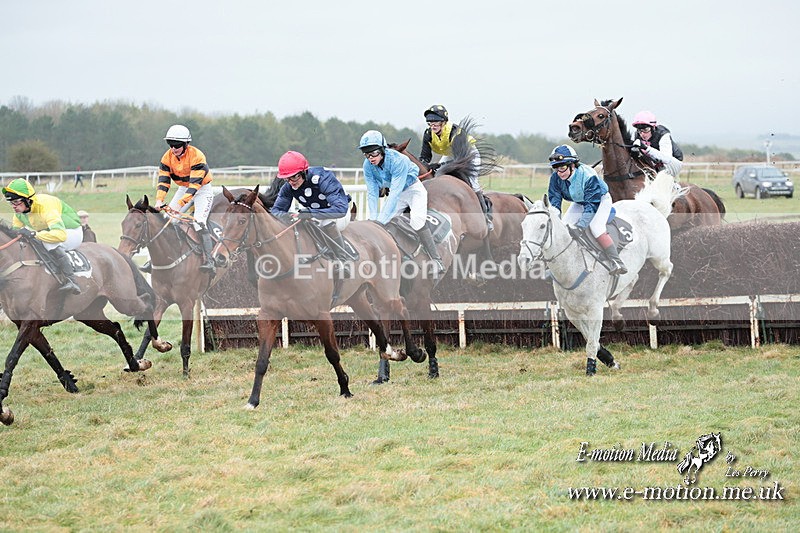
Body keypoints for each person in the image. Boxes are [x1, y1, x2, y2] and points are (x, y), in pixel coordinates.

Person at [360, 129, 445, 274]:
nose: (370, 158)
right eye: (367, 154)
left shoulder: (398, 160)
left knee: (417, 221)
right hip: (397, 192)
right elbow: (372, 194)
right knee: (384, 223)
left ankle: (436, 259)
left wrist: (379, 222)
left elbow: (394, 194)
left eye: (374, 153)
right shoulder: (367, 166)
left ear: (382, 149)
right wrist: (373, 220)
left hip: (413, 190)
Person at [546, 145, 627, 275]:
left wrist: (581, 226)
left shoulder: (588, 176)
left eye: (562, 167)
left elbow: (592, 205)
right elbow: (555, 201)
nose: (559, 172)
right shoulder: (555, 178)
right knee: (565, 226)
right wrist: (554, 220)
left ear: (572, 165)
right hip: (579, 202)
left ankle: (616, 261)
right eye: (555, 168)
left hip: (600, 200)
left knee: (596, 227)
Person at [270, 150, 352, 266]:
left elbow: (340, 209)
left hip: (339, 214)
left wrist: (311, 213)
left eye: (294, 177)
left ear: (303, 172)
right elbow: (275, 211)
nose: (291, 182)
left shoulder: (323, 178)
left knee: (327, 222)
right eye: (287, 178)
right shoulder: (288, 187)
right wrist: (287, 216)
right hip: (315, 215)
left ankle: (343, 260)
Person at [2, 178, 83, 294]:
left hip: (70, 231)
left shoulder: (46, 206)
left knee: (48, 242)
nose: (14, 206)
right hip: (49, 231)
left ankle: (72, 280)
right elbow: (16, 234)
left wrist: (34, 234)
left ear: (28, 200)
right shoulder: (20, 212)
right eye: (11, 203)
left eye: (16, 202)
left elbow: (60, 235)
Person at [154, 124, 216, 274]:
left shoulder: (197, 156)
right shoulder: (167, 157)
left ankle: (210, 261)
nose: (173, 149)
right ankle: (162, 257)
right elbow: (163, 181)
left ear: (186, 144)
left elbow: (194, 187)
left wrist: (180, 204)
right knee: (168, 220)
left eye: (177, 145)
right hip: (183, 188)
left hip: (202, 190)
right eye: (170, 144)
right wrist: (159, 200)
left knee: (199, 222)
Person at [419, 104, 492, 231]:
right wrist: (425, 166)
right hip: (450, 155)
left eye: (436, 121)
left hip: (468, 155)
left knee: (473, 185)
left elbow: (459, 161)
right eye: (430, 122)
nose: (432, 125)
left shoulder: (455, 133)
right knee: (437, 177)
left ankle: (486, 217)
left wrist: (440, 165)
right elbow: (424, 157)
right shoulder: (428, 134)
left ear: (444, 122)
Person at [631, 110, 684, 177]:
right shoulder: (636, 135)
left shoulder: (663, 134)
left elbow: (666, 158)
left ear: (653, 128)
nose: (642, 134)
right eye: (639, 130)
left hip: (672, 163)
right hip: (654, 163)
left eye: (646, 130)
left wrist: (646, 148)